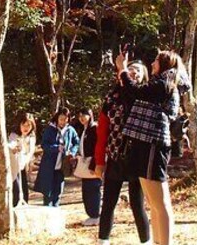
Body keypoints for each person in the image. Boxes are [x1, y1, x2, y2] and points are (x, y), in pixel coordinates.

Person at [117, 50, 190, 245]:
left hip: (153, 144)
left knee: (160, 202)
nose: (152, 64)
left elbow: (137, 92)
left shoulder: (165, 83)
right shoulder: (160, 82)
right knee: (153, 202)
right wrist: (122, 74)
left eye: (156, 60)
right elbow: (132, 95)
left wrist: (123, 70)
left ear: (165, 64)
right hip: (144, 142)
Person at [94, 59, 152, 245]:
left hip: (138, 158)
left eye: (138, 71)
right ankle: (103, 240)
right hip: (115, 155)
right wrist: (99, 161)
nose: (133, 72)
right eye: (131, 69)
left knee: (137, 203)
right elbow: (102, 132)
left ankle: (146, 241)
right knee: (109, 202)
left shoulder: (146, 95)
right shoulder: (112, 97)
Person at [33, 107, 79, 207]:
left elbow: (76, 143)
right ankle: (47, 212)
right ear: (57, 118)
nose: (63, 122)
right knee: (48, 192)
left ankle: (55, 210)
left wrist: (72, 152)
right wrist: (56, 148)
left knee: (58, 191)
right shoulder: (50, 129)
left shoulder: (70, 130)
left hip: (62, 166)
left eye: (65, 119)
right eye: (61, 119)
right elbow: (44, 145)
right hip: (49, 165)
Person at [74, 108, 102, 226]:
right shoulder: (84, 129)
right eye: (79, 116)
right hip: (85, 163)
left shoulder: (94, 128)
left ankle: (95, 215)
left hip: (93, 163)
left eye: (84, 115)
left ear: (90, 116)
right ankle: (91, 215)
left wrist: (94, 164)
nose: (81, 118)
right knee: (86, 190)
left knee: (93, 189)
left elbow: (99, 147)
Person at [8, 113, 36, 207]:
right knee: (16, 189)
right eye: (23, 125)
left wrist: (26, 162)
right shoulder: (14, 135)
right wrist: (14, 149)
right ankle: (14, 210)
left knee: (24, 189)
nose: (26, 128)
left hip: (23, 166)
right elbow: (11, 145)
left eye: (28, 125)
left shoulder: (31, 137)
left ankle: (24, 207)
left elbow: (30, 152)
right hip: (14, 167)